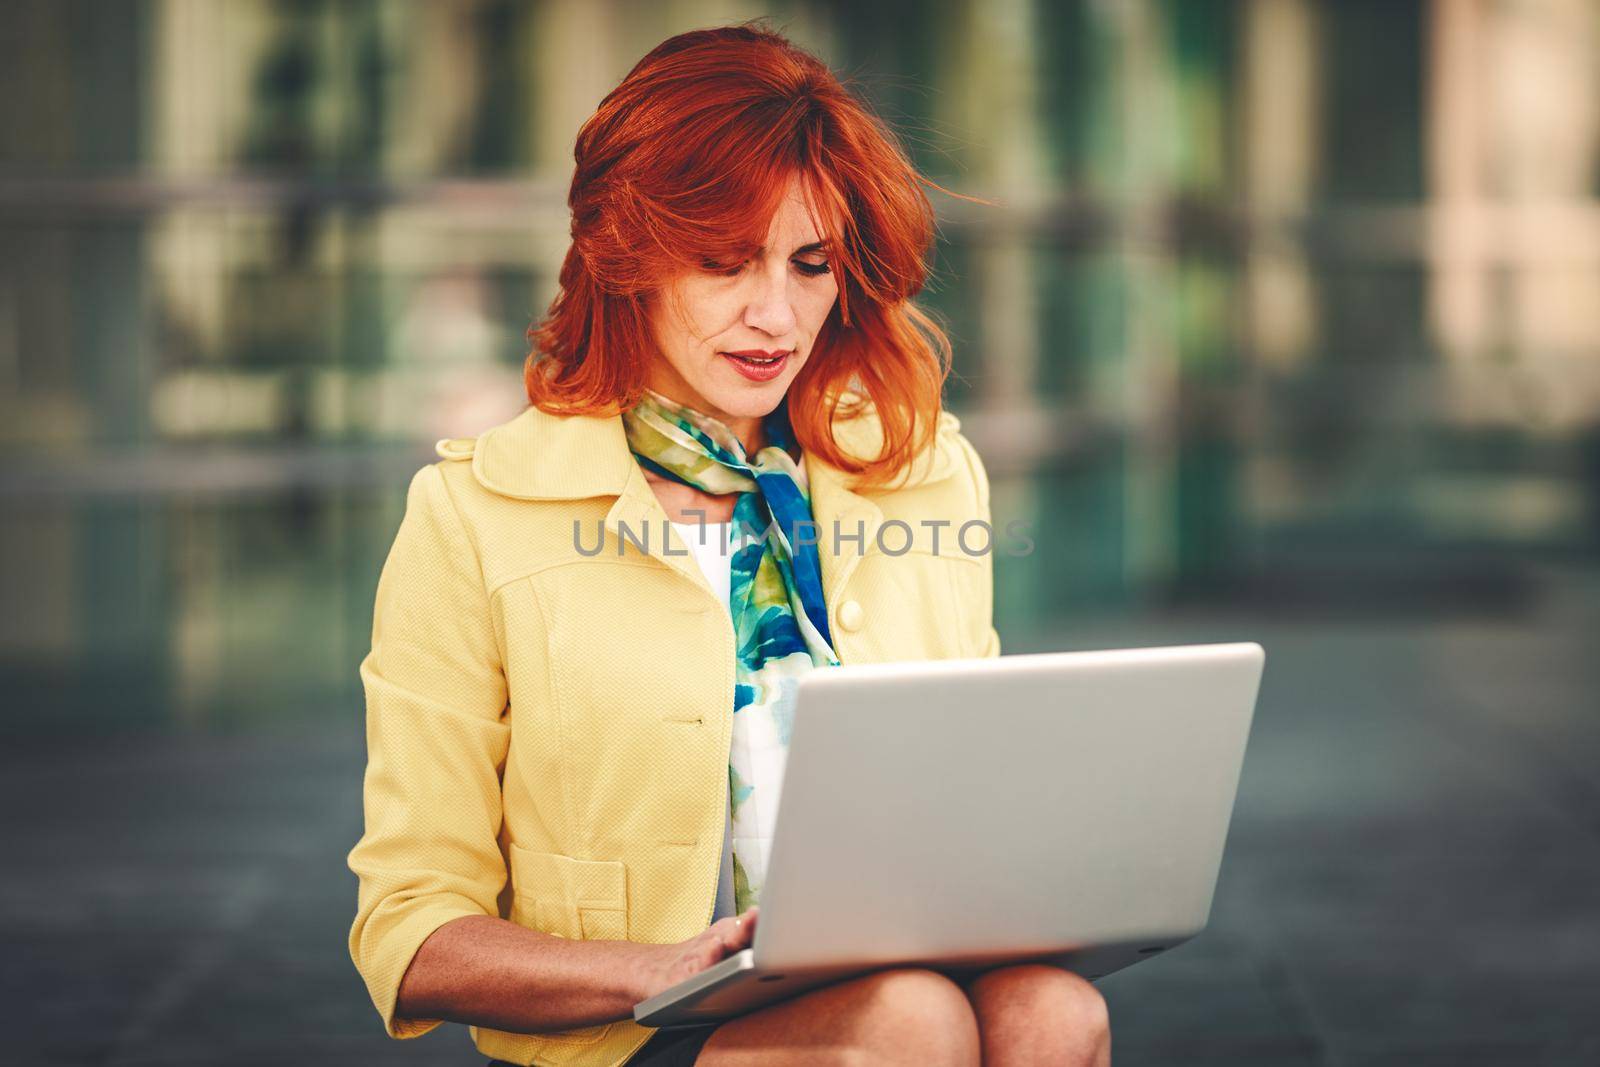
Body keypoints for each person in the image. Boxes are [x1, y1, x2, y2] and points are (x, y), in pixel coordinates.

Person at [347, 22, 1110, 1067]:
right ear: (629, 258)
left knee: (1052, 1009)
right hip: (637, 1032)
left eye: (810, 265)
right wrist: (654, 967)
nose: (776, 314)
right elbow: (411, 928)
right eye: (723, 262)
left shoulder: (923, 474)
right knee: (907, 1021)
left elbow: (964, 802)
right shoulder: (471, 514)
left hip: (891, 978)